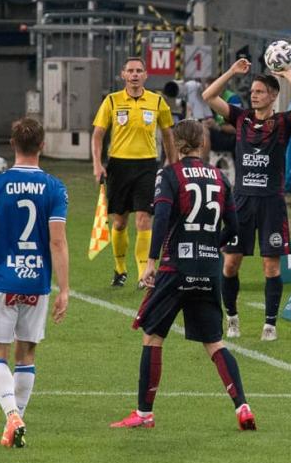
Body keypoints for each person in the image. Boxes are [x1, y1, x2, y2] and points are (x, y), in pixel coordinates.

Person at [109, 119, 256, 430]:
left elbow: (160, 215)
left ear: (174, 144)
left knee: (153, 337)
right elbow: (235, 228)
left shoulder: (170, 175)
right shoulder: (219, 177)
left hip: (176, 267)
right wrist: (210, 245)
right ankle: (242, 406)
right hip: (208, 268)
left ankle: (144, 414)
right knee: (215, 343)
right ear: (202, 144)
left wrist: (151, 262)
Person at [0, 118, 70, 448]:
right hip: (37, 283)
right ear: (43, 146)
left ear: (12, 145)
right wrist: (63, 289)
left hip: (3, 281)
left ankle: (12, 415)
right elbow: (58, 242)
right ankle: (16, 419)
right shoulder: (54, 188)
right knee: (26, 355)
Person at [203, 58, 291, 341]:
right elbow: (208, 96)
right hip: (240, 203)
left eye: (260, 91)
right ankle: (232, 319)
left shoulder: (283, 123)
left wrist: (289, 73)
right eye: (252, 91)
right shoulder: (241, 119)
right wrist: (230, 71)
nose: (254, 95)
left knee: (271, 267)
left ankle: (270, 325)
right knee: (230, 264)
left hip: (271, 204)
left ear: (273, 96)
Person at [91, 57, 177, 289]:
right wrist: (97, 164)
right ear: (123, 75)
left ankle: (143, 274)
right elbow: (98, 134)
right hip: (118, 166)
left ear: (146, 75)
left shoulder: (157, 101)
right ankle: (120, 269)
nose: (135, 75)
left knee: (144, 219)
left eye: (139, 71)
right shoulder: (112, 101)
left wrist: (172, 162)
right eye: (131, 71)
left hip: (147, 167)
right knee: (119, 222)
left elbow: (168, 133)